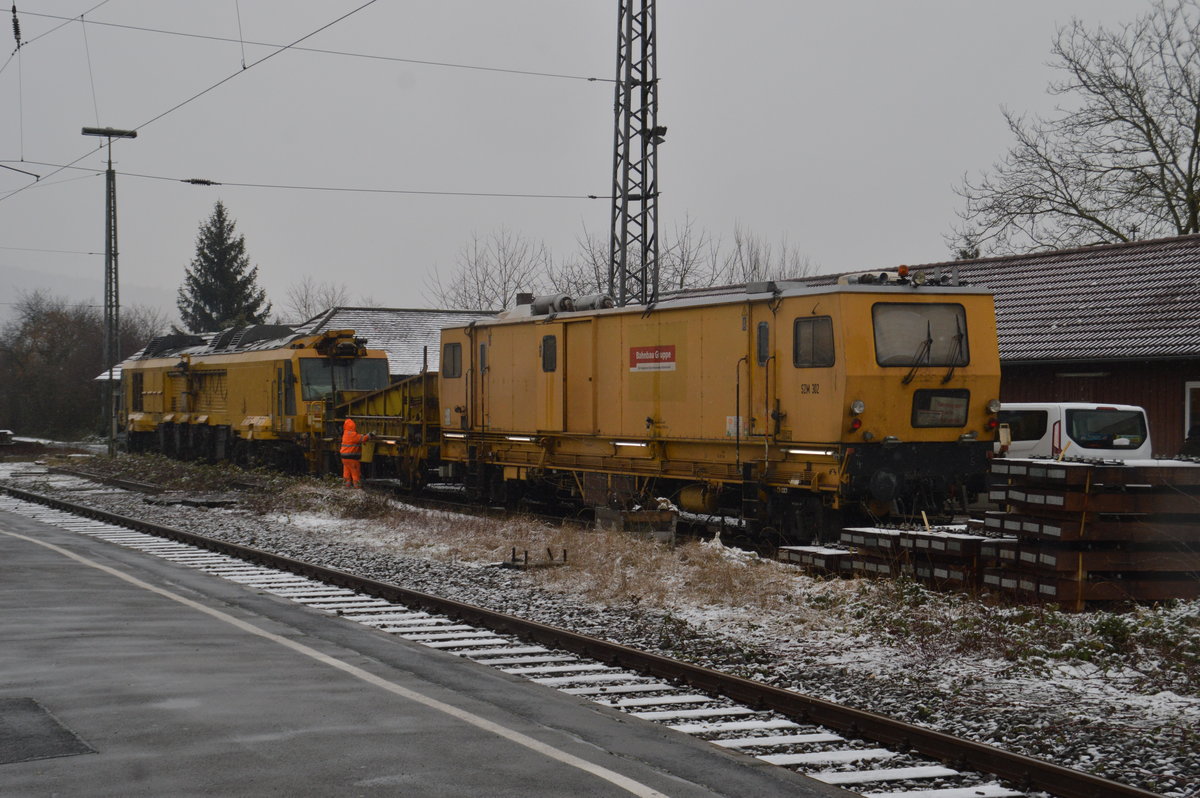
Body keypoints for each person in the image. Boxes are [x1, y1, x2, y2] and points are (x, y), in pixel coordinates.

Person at [340, 418, 371, 488]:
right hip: (352, 457)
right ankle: (357, 487)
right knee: (355, 472)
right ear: (353, 426)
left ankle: (346, 486)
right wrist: (369, 435)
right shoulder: (353, 434)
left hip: (344, 457)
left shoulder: (345, 434)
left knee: (346, 472)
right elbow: (362, 439)